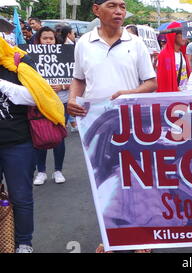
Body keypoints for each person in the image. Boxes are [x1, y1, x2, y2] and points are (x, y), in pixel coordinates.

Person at [66, 0, 157, 253]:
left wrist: (129, 93)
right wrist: (73, 100)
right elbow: (78, 78)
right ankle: (110, 238)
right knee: (104, 184)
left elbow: (151, 83)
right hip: (96, 126)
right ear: (96, 10)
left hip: (131, 124)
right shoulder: (83, 43)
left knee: (135, 181)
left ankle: (140, 237)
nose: (119, 11)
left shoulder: (135, 43)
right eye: (112, 5)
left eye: (122, 6)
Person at [1, 17, 65, 253]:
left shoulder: (19, 59)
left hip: (17, 142)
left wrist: (1, 84)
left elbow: (35, 96)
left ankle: (23, 243)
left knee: (20, 196)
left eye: (3, 31)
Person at [33, 26, 70, 186]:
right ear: (39, 40)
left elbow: (76, 78)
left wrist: (61, 86)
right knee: (40, 136)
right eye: (44, 38)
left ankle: (58, 170)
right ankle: (41, 172)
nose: (48, 41)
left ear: (55, 40)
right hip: (40, 104)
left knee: (59, 137)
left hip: (61, 102)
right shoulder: (30, 57)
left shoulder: (65, 55)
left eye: (51, 38)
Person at [156, 21, 191, 92]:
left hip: (185, 94)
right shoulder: (166, 56)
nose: (185, 37)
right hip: (173, 95)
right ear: (174, 35)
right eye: (182, 33)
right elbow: (166, 79)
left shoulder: (182, 54)